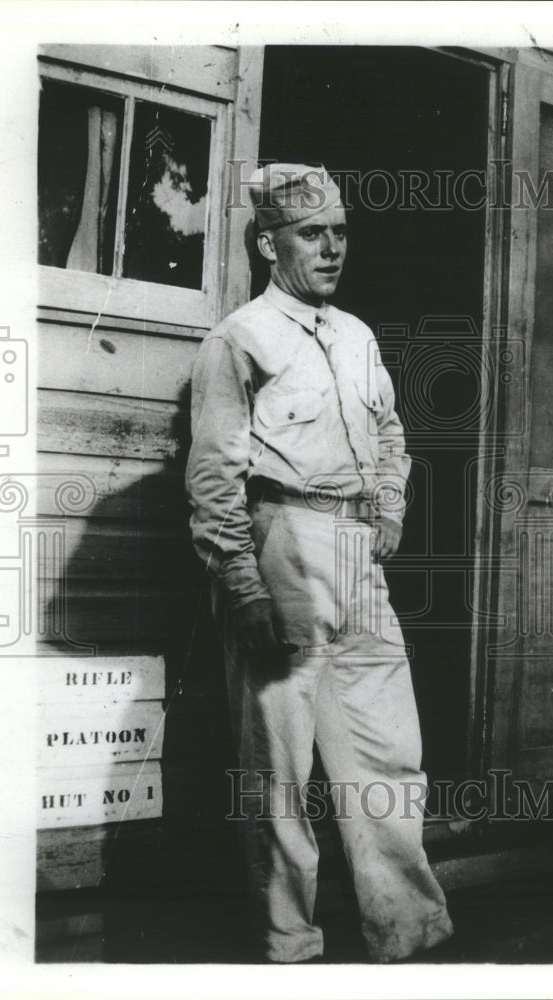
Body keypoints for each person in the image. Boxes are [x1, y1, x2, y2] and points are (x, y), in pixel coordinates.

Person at [185, 163, 453, 963]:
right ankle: (290, 945)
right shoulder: (239, 339)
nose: (332, 248)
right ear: (270, 244)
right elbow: (213, 475)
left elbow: (392, 434)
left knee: (387, 748)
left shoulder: (357, 335)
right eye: (312, 234)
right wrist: (242, 586)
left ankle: (407, 928)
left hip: (355, 552)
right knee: (278, 764)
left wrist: (389, 509)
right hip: (282, 545)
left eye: (339, 232)